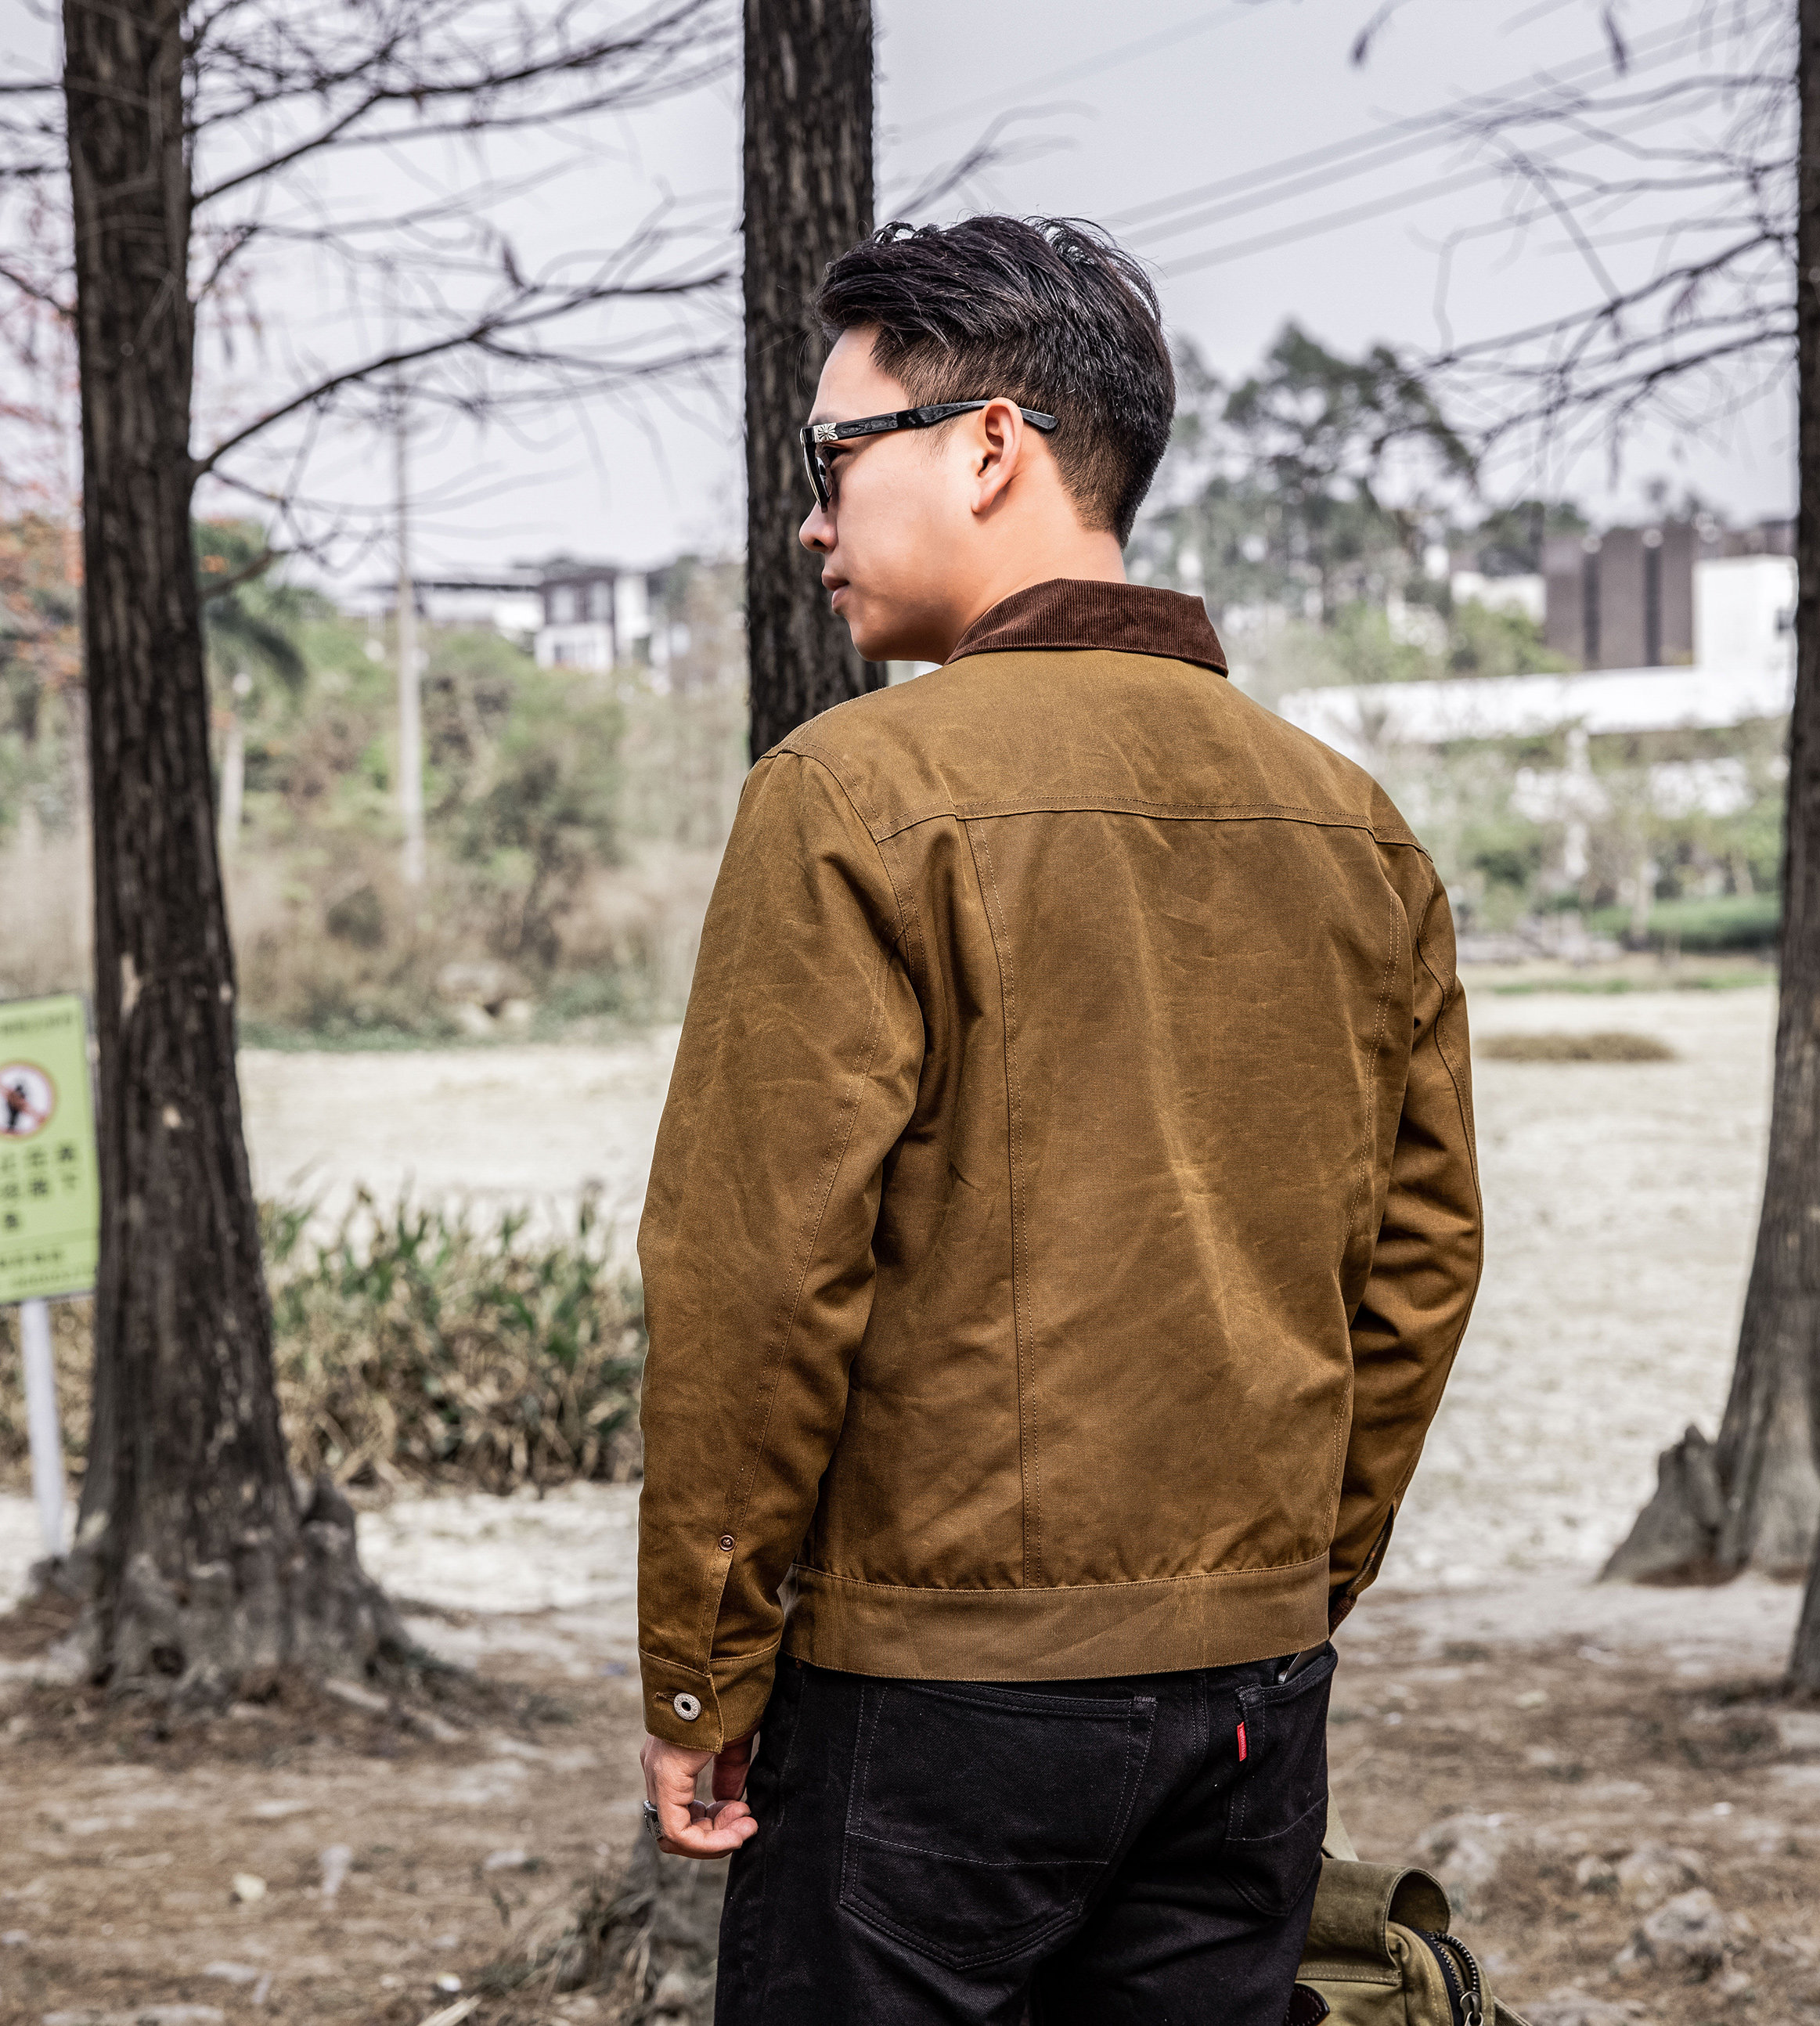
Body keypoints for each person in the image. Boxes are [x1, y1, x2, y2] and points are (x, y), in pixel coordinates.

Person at [635, 215, 1482, 2024]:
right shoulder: (1353, 825)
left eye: (829, 459)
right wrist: (1283, 1580)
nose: (808, 523)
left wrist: (702, 1675)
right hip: (1249, 1694)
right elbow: (1418, 1272)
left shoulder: (852, 795)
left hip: (927, 1697)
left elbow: (757, 1285)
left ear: (990, 445)